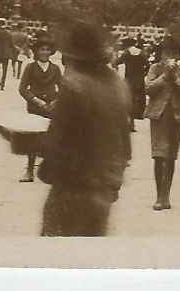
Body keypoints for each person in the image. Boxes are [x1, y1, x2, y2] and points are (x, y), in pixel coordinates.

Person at [37, 22, 129, 237]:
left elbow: (56, 143)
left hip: (72, 190)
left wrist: (29, 147)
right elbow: (124, 143)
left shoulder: (74, 86)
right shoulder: (118, 86)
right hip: (103, 192)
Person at [144, 36, 180, 211]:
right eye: (167, 52)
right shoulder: (155, 68)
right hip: (158, 115)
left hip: (175, 117)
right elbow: (148, 89)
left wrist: (176, 79)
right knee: (159, 155)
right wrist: (164, 77)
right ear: (162, 53)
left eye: (173, 53)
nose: (170, 56)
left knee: (171, 156)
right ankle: (158, 196)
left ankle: (166, 196)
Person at [16, 36, 61, 182]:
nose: (45, 52)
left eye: (47, 50)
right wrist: (35, 100)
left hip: (51, 107)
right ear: (36, 51)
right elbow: (22, 88)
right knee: (33, 138)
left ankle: (50, 171)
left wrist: (56, 101)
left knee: (51, 138)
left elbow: (63, 89)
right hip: (35, 107)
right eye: (42, 49)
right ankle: (29, 171)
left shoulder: (55, 68)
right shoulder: (30, 67)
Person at [116, 36, 148, 133]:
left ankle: (130, 122)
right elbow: (147, 65)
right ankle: (135, 119)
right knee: (137, 100)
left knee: (129, 100)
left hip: (130, 79)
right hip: (140, 79)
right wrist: (143, 73)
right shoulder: (141, 53)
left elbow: (117, 62)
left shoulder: (127, 52)